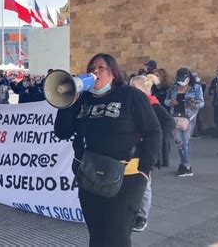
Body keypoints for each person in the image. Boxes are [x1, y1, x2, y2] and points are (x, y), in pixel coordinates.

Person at [54, 53, 161, 246]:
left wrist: (145, 171)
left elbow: (154, 131)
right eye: (91, 67)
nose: (95, 71)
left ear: (113, 73)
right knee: (97, 236)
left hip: (126, 179)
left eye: (100, 67)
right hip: (90, 177)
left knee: (117, 237)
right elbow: (62, 131)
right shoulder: (82, 100)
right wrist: (68, 102)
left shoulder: (131, 95)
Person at [129, 75, 175, 232]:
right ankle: (132, 211)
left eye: (135, 89)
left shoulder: (153, 105)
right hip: (133, 149)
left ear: (146, 90)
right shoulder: (132, 104)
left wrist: (156, 139)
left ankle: (142, 216)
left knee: (144, 183)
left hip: (146, 150)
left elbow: (169, 122)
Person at [165, 68, 204, 177]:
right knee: (178, 142)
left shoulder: (196, 88)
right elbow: (166, 101)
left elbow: (201, 103)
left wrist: (194, 103)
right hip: (175, 116)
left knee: (184, 142)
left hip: (188, 118)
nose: (181, 82)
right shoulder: (173, 88)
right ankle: (183, 163)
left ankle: (187, 167)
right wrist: (170, 102)